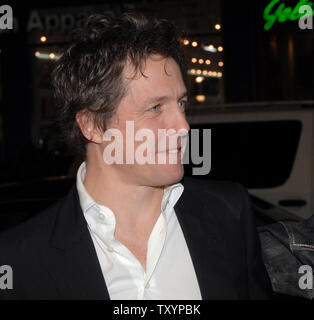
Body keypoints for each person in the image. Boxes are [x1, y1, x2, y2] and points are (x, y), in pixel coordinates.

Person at [0, 12, 271, 300]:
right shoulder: (20, 260)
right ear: (92, 124)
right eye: (155, 108)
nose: (183, 127)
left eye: (181, 103)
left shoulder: (228, 214)